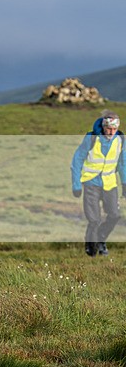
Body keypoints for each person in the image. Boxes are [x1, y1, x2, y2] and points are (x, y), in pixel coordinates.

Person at [71, 110, 125, 257]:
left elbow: (122, 163)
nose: (111, 132)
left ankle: (101, 239)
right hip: (91, 183)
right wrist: (76, 185)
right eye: (109, 129)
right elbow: (77, 160)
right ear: (103, 126)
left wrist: (124, 183)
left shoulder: (120, 140)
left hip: (110, 184)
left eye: (114, 129)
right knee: (94, 219)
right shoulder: (92, 138)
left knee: (114, 215)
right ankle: (91, 250)